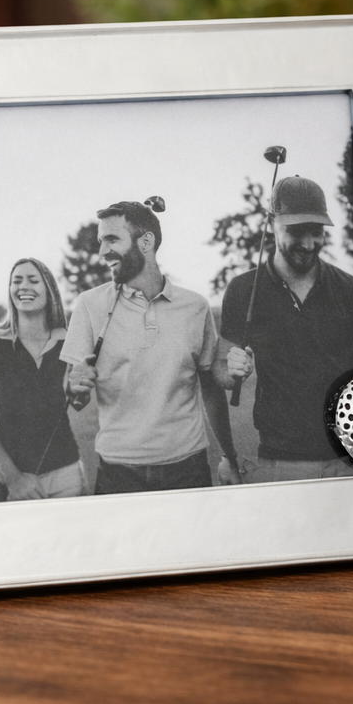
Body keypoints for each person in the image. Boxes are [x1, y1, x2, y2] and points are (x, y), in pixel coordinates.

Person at [62, 199, 243, 494]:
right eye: (100, 241)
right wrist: (76, 387)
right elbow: (75, 396)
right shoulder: (89, 305)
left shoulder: (195, 306)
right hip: (118, 473)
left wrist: (229, 457)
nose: (102, 251)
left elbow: (211, 387)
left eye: (112, 239)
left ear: (146, 241)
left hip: (188, 469)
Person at [215, 176, 353, 484]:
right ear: (272, 222)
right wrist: (232, 369)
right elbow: (220, 371)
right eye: (297, 231)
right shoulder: (242, 290)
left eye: (317, 232)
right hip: (279, 461)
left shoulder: (352, 290)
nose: (309, 243)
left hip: (349, 459)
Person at [0, 258, 88, 500]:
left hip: (66, 473)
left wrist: (81, 390)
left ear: (49, 290)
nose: (24, 287)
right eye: (17, 281)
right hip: (11, 477)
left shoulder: (67, 339)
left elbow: (76, 400)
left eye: (33, 280)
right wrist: (12, 476)